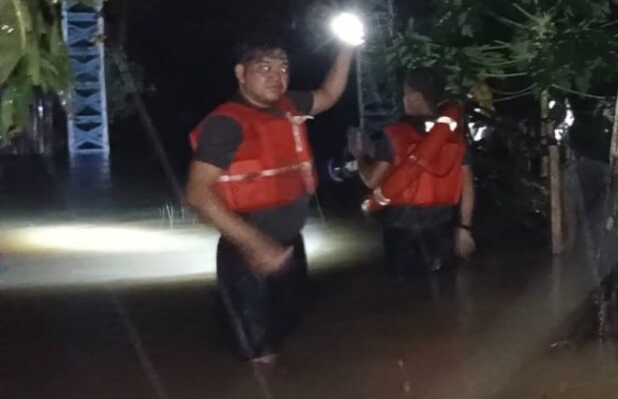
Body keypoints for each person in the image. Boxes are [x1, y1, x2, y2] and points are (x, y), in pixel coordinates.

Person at [185, 35, 355, 363]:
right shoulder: (226, 124)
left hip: (288, 243)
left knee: (284, 335)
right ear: (240, 73)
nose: (276, 76)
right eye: (264, 68)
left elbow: (329, 95)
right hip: (249, 251)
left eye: (283, 68)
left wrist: (346, 47)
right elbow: (197, 193)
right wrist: (257, 245)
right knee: (258, 356)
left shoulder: (288, 106)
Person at [357, 68, 476, 279]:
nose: (403, 99)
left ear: (416, 97)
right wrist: (464, 228)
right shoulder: (455, 137)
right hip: (442, 228)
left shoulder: (395, 134)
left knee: (404, 300)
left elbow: (371, 179)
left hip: (401, 228)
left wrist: (359, 156)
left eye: (405, 93)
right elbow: (467, 187)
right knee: (444, 294)